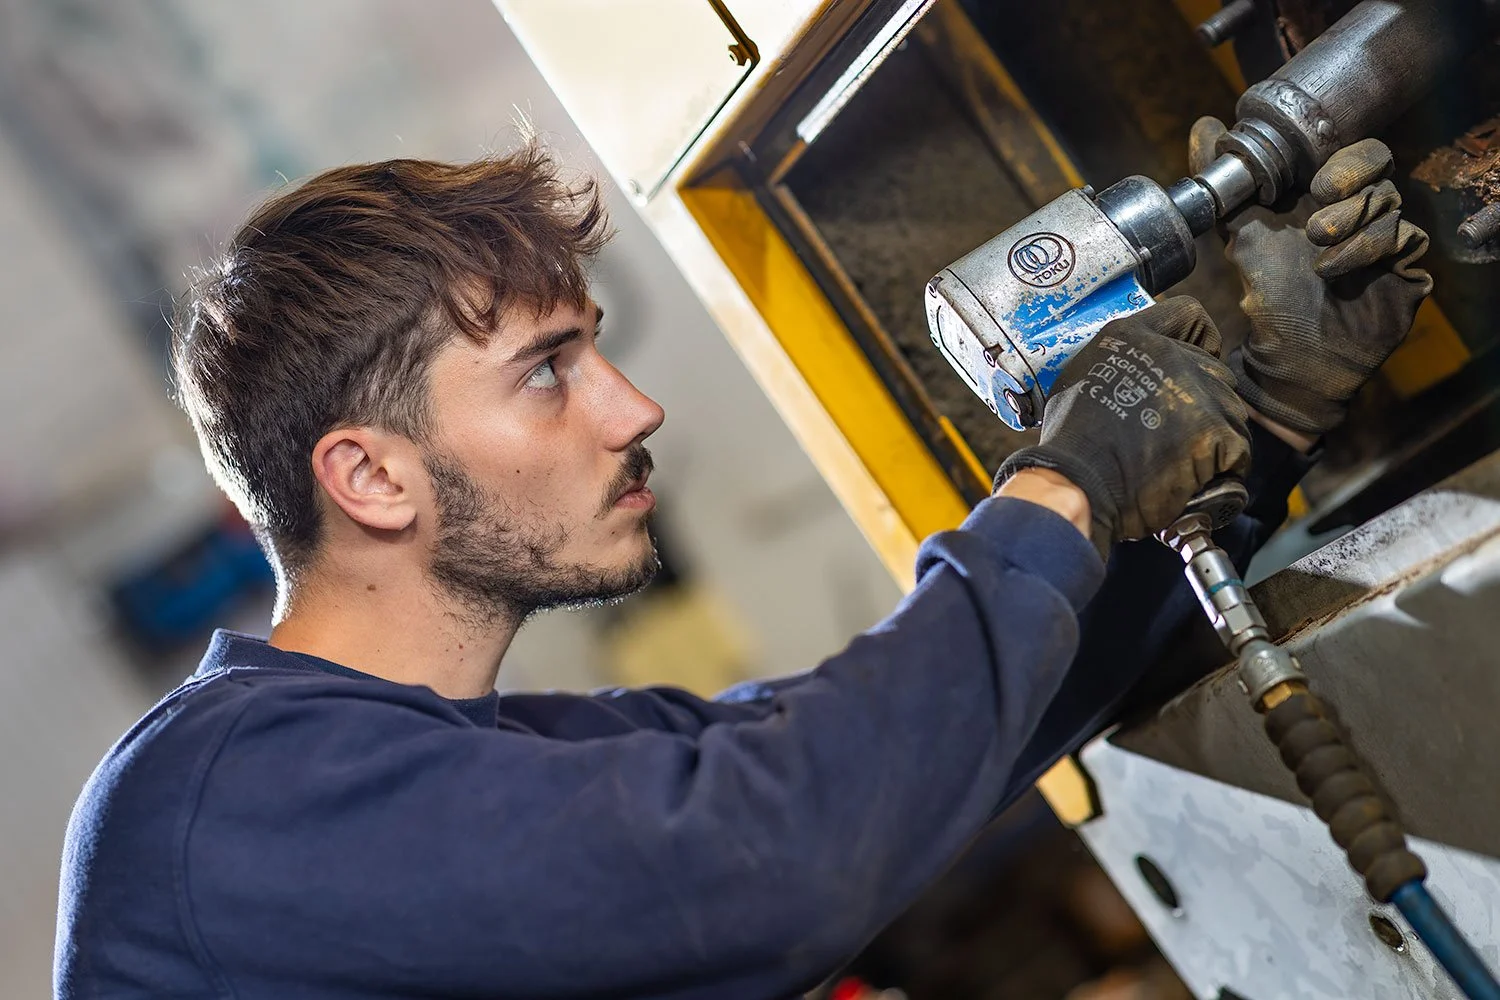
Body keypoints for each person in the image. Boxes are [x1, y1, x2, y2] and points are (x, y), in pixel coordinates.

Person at [55, 127, 1430, 999]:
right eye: (548, 372)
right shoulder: (210, 806)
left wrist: (1266, 409)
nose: (633, 408)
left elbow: (914, 751)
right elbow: (782, 851)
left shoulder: (497, 768)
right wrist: (1066, 480)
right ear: (368, 477)